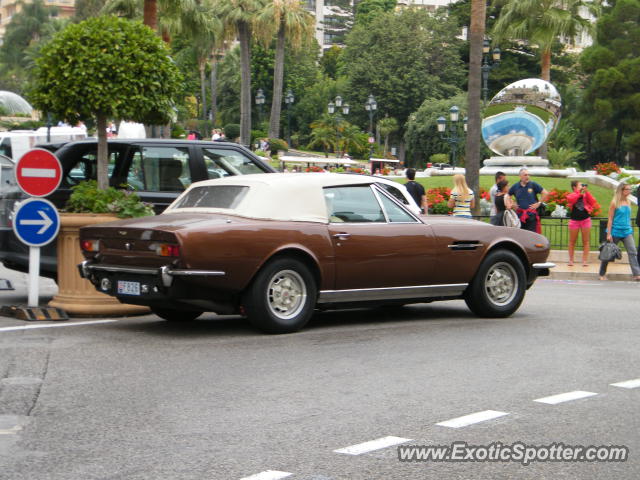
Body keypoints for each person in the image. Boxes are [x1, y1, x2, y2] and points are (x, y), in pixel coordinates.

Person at [599, 183, 640, 281]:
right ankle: (602, 273)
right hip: (615, 231)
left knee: (633, 252)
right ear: (622, 190)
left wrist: (629, 227)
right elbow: (610, 219)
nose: (630, 191)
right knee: (608, 254)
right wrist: (609, 233)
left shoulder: (628, 201)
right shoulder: (614, 203)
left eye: (630, 189)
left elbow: (627, 217)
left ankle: (637, 274)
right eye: (628, 189)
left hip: (627, 231)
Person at [508, 168, 548, 232]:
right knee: (521, 235)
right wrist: (512, 204)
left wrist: (539, 203)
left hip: (531, 216)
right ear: (520, 176)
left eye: (528, 175)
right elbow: (507, 195)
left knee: (531, 236)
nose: (528, 177)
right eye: (525, 175)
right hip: (519, 216)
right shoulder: (515, 186)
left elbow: (545, 193)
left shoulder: (533, 184)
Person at [567, 180, 596, 266]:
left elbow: (592, 202)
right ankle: (571, 260)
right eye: (580, 185)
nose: (582, 186)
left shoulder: (585, 194)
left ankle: (584, 261)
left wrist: (587, 192)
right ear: (574, 187)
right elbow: (571, 199)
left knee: (586, 241)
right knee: (572, 241)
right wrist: (579, 192)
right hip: (574, 221)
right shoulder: (572, 195)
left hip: (585, 220)